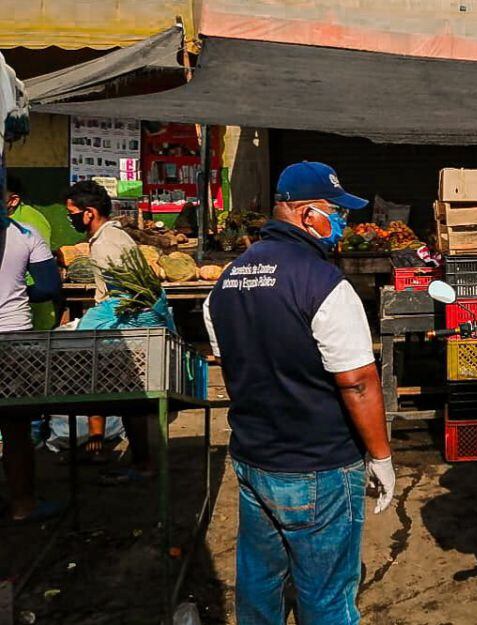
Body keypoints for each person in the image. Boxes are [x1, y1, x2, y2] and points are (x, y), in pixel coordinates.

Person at [204, 161, 395, 625]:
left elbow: (234, 370)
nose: (342, 224)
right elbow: (357, 381)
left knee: (260, 584)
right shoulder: (326, 286)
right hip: (319, 465)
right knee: (326, 595)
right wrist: (381, 456)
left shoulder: (226, 282)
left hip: (253, 459)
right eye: (337, 213)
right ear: (308, 215)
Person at [65, 181, 158, 475]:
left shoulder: (108, 244)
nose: (71, 218)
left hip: (124, 327)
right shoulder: (108, 238)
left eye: (73, 213)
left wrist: (97, 318)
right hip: (116, 324)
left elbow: (130, 292)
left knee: (126, 396)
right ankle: (99, 448)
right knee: (104, 387)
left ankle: (142, 462)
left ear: (89, 213)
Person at [0, 180, 62, 524]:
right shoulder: (26, 234)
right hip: (14, 337)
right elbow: (50, 287)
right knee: (15, 427)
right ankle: (23, 503)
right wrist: (20, 293)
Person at [5, 175, 56, 330]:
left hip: (31, 307)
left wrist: (14, 291)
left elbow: (43, 279)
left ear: (13, 200)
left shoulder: (30, 222)